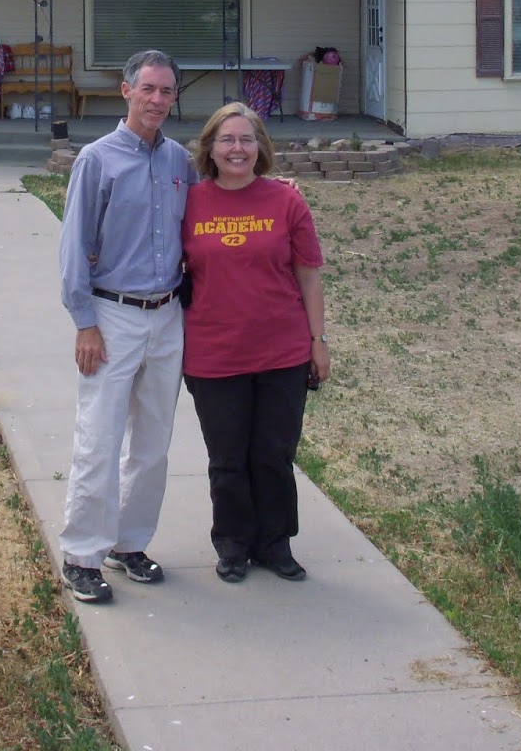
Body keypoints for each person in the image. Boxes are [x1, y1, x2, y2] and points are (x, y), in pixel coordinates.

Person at [57, 49, 194, 603]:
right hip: (112, 316)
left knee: (153, 442)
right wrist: (84, 323)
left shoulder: (180, 161)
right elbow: (74, 247)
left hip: (167, 315)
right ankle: (82, 554)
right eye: (148, 89)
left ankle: (129, 543)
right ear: (127, 91)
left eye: (167, 91)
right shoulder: (97, 160)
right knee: (99, 437)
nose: (157, 100)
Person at [181, 101, 328, 583]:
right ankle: (233, 544)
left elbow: (309, 275)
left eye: (246, 139)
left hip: (281, 352)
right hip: (214, 353)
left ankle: (274, 543)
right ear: (210, 148)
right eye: (226, 139)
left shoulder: (286, 201)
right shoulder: (189, 203)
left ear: (260, 147)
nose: (237, 149)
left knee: (273, 454)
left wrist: (318, 341)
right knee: (227, 458)